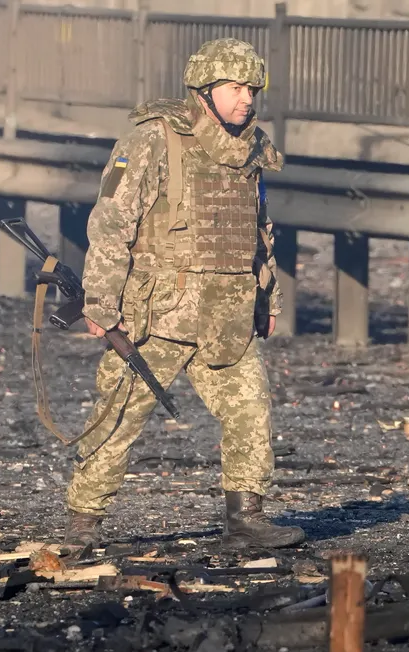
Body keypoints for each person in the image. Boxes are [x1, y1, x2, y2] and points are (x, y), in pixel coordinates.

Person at [62, 38, 305, 551]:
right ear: (204, 89)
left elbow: (260, 231)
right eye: (235, 88)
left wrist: (268, 299)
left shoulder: (251, 148)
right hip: (159, 313)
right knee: (120, 416)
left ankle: (246, 519)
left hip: (229, 312)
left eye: (252, 88)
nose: (247, 99)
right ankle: (83, 521)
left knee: (249, 411)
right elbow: (111, 223)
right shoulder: (153, 139)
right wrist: (102, 304)